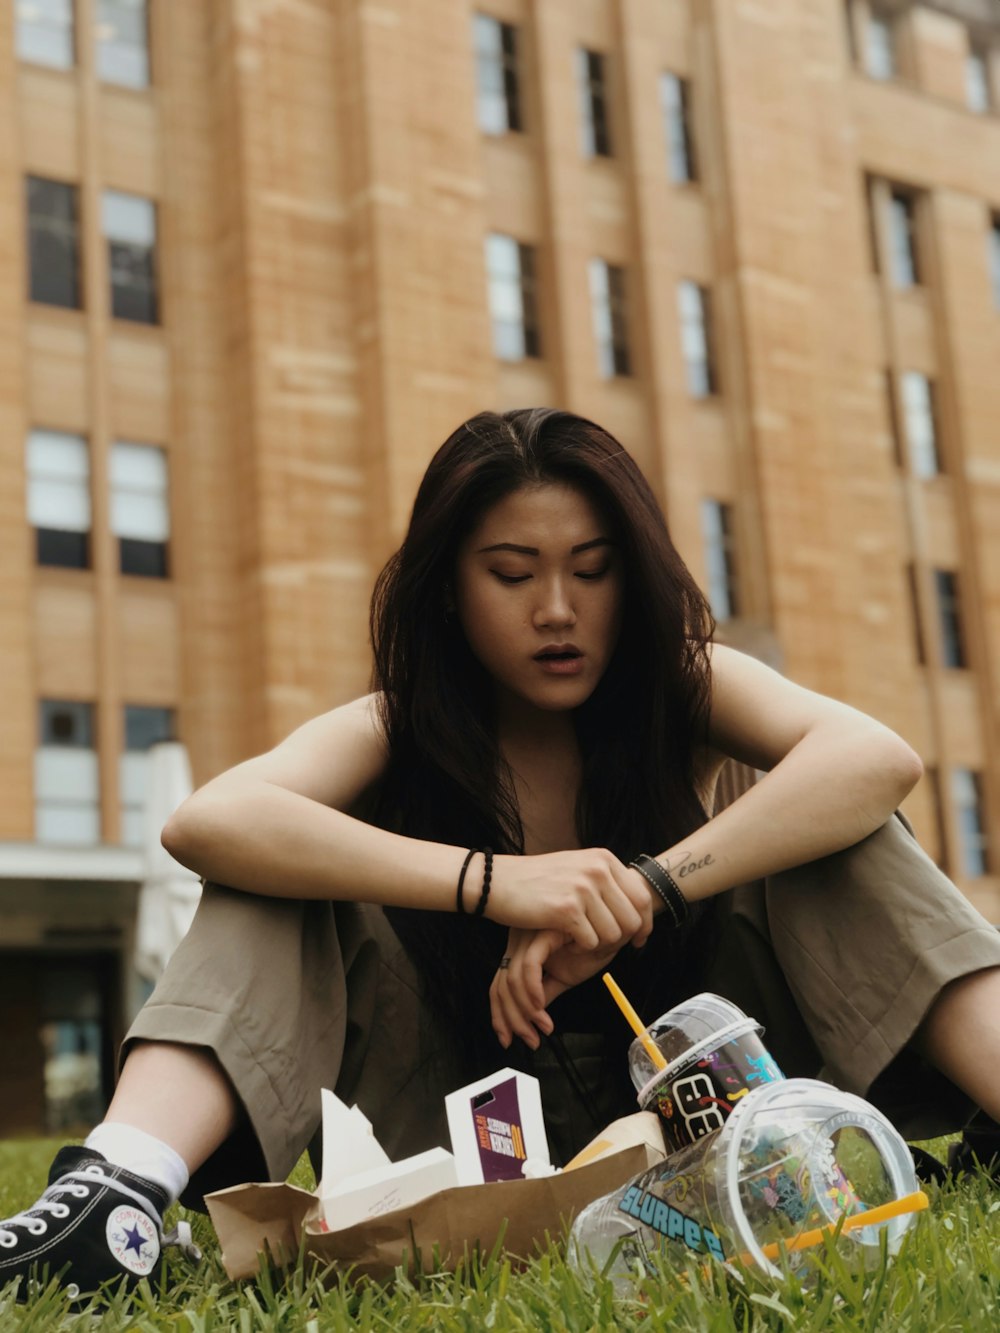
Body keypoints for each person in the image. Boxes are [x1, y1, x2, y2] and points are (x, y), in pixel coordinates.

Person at [4, 407, 1000, 1299]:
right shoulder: (399, 724)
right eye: (512, 574)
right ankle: (115, 1195)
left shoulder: (684, 686)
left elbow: (876, 756)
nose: (557, 608)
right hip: (458, 1144)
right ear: (447, 590)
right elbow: (208, 821)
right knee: (278, 862)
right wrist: (496, 884)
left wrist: (645, 889)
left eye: (594, 569)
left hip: (706, 1120)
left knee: (821, 812)